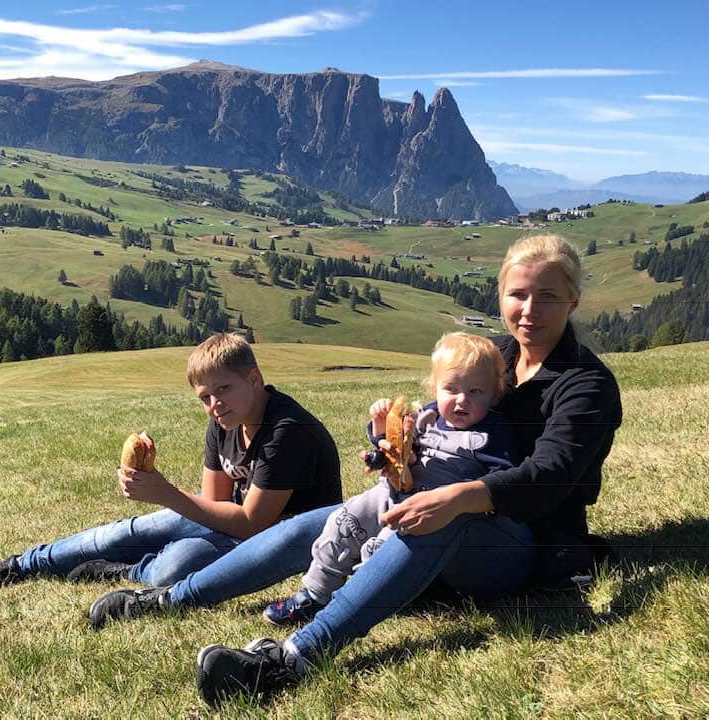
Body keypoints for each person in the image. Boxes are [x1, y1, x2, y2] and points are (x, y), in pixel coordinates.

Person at [191, 234, 623, 706]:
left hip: (527, 545)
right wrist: (389, 437)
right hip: (450, 521)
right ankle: (174, 597)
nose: (529, 310)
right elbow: (427, 415)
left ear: (573, 300)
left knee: (444, 514)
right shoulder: (494, 354)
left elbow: (551, 476)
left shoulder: (586, 383)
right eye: (518, 294)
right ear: (501, 295)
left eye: (548, 297)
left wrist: (458, 497)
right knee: (332, 519)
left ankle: (289, 661)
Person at [0, 332, 342, 595]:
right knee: (121, 533)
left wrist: (166, 494)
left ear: (254, 379)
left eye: (223, 389)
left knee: (177, 565)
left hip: (277, 543)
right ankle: (24, 565)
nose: (214, 405)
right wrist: (159, 491)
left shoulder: (287, 431)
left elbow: (251, 524)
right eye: (205, 397)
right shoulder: (224, 420)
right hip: (237, 528)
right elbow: (213, 501)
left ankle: (124, 571)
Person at [262, 332, 516, 626]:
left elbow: (501, 480)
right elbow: (396, 447)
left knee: (384, 546)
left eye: (476, 391)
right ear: (435, 388)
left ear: (495, 393)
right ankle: (315, 593)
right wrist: (382, 433)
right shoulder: (427, 417)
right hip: (392, 489)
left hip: (431, 510)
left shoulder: (492, 432)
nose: (461, 400)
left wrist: (467, 497)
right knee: (344, 521)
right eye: (451, 389)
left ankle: (361, 598)